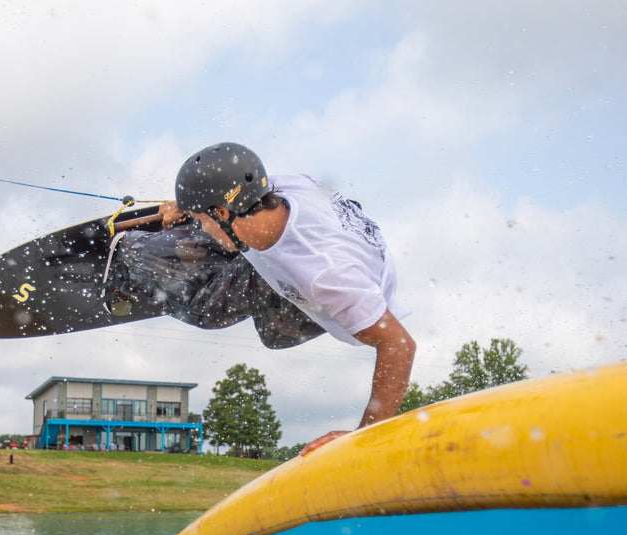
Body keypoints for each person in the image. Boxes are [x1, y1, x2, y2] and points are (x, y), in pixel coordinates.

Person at [103, 142, 416, 455]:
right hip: (333, 238)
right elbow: (230, 189)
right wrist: (184, 206)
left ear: (222, 211)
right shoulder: (281, 186)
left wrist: (365, 437)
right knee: (220, 241)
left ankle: (132, 259)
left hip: (341, 289)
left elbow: (399, 346)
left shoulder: (324, 275)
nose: (199, 224)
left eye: (203, 218)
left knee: (214, 311)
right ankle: (186, 257)